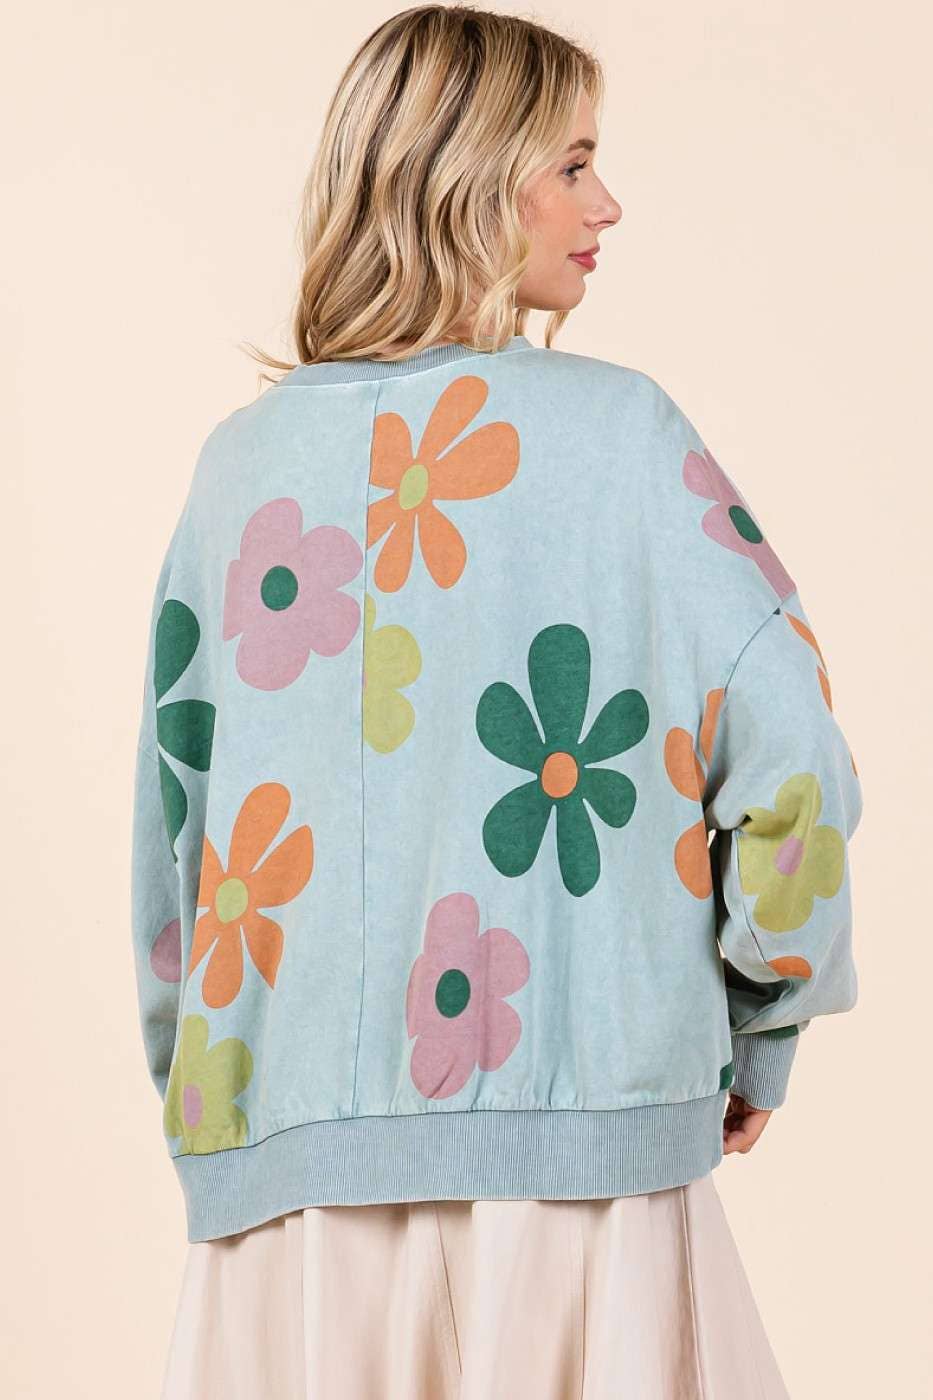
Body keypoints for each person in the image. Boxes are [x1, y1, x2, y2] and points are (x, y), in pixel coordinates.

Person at [131, 7, 863, 1397]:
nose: (607, 204)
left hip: (290, 1217)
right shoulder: (625, 434)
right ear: (466, 178)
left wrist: (229, 1118)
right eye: (572, 164)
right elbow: (795, 764)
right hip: (584, 1191)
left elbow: (180, 837)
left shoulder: (237, 474)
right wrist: (758, 1028)